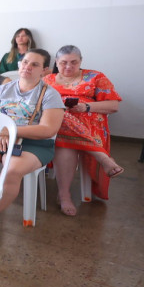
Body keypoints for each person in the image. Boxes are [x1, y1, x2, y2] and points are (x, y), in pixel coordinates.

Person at [0, 49, 64, 237]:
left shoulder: (50, 95)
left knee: (11, 170)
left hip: (34, 144)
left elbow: (48, 129)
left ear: (44, 70)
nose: (27, 67)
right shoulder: (2, 89)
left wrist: (9, 131)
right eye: (25, 62)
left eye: (34, 64)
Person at [44, 45, 123, 216]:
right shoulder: (47, 80)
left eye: (74, 62)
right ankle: (101, 156)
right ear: (56, 62)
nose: (68, 67)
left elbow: (113, 105)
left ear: (81, 61)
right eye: (63, 63)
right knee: (61, 115)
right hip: (58, 122)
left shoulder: (95, 77)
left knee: (63, 128)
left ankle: (63, 194)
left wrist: (85, 107)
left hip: (90, 123)